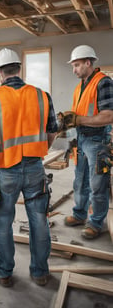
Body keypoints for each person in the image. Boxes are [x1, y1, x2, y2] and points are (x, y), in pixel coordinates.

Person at [0, 48, 58, 287]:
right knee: (39, 220)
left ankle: (4, 271)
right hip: (35, 167)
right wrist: (40, 150)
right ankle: (40, 272)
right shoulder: (42, 95)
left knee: (3, 220)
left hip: (6, 169)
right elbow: (52, 131)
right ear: (18, 69)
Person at [62, 45, 113, 239]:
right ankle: (79, 214)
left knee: (97, 184)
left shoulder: (104, 83)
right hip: (82, 139)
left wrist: (78, 120)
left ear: (88, 63)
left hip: (98, 141)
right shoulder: (80, 86)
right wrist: (67, 123)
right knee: (80, 180)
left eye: (76, 65)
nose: (74, 69)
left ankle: (96, 223)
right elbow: (79, 114)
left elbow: (109, 116)